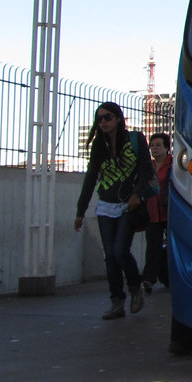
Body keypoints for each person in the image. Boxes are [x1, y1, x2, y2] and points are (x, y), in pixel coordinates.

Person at [74, 102, 154, 320]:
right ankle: (116, 302)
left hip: (129, 205)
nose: (103, 122)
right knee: (109, 256)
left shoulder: (135, 140)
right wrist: (80, 211)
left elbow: (147, 169)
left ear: (118, 118)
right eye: (99, 119)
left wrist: (137, 194)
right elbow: (91, 179)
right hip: (106, 206)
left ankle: (135, 286)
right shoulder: (99, 147)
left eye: (108, 117)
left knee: (120, 251)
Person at [141, 132, 171, 294]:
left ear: (167, 148)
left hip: (170, 211)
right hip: (152, 211)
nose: (155, 148)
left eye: (158, 145)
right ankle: (149, 279)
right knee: (153, 246)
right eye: (152, 145)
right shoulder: (148, 167)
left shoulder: (173, 164)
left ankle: (171, 276)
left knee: (172, 246)